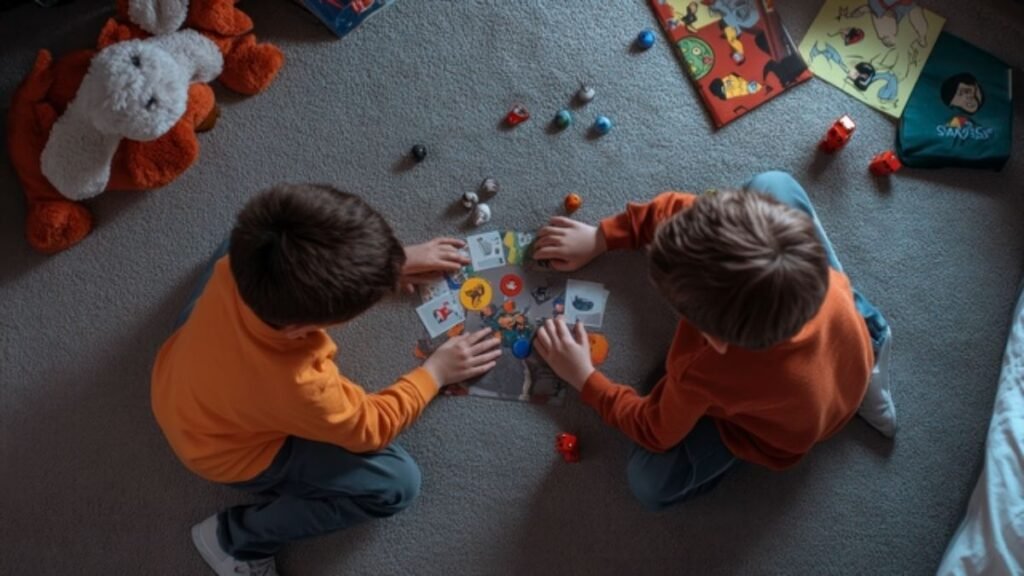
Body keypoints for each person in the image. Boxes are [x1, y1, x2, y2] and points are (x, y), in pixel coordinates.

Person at [152, 183, 502, 575]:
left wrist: (389, 262)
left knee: (247, 246)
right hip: (218, 450)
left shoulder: (238, 259)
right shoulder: (302, 383)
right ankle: (235, 541)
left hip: (177, 371)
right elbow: (372, 427)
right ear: (299, 329)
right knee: (397, 483)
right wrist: (435, 372)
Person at [531, 171, 895, 511]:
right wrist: (602, 237)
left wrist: (584, 378)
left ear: (715, 340)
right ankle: (873, 339)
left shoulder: (703, 367)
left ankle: (864, 369)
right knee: (774, 184)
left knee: (648, 482)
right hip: (845, 342)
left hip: (784, 431)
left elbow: (654, 430)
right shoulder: (806, 262)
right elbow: (681, 213)